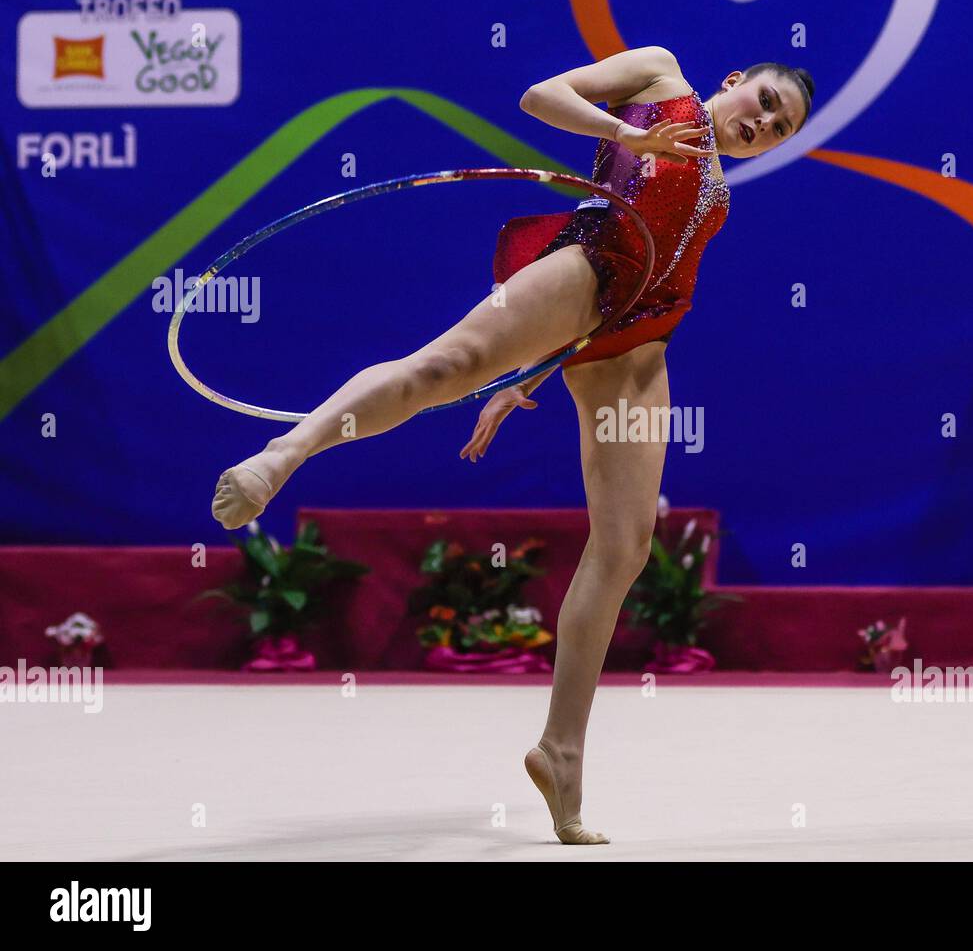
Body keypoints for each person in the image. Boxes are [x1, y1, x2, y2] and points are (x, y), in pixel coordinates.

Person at [211, 45, 814, 844]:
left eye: (779, 128)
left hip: (639, 346)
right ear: (736, 80)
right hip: (587, 268)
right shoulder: (662, 79)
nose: (763, 123)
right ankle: (285, 453)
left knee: (627, 545)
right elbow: (539, 95)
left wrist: (528, 378)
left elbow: (664, 277)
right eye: (765, 101)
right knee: (444, 366)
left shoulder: (722, 194)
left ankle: (562, 751)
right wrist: (627, 136)